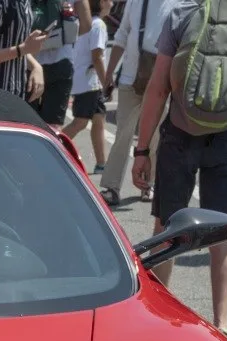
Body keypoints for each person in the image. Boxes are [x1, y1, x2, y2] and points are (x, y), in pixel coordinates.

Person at [132, 0, 227, 339]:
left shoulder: (181, 11)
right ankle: (222, 326)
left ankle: (157, 318)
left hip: (180, 132)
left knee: (166, 228)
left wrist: (142, 149)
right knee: (224, 237)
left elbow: (158, 87)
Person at [100, 0, 171, 205]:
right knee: (123, 134)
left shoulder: (179, 4)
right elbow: (122, 35)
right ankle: (112, 186)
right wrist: (109, 73)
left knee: (156, 136)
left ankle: (149, 184)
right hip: (130, 79)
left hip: (161, 82)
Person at [0, 0, 48, 101]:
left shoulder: (25, 3)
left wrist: (36, 67)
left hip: (15, 94)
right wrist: (23, 49)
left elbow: (17, 46)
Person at [32, 0, 93, 126]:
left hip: (30, 60)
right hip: (62, 60)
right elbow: (86, 24)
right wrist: (63, 36)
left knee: (25, 121)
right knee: (53, 125)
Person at [64, 0, 109, 170]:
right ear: (102, 3)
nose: (112, 4)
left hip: (87, 81)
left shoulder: (90, 23)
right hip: (89, 83)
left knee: (99, 120)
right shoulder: (99, 25)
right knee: (81, 122)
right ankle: (53, 145)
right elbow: (97, 57)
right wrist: (107, 83)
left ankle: (101, 162)